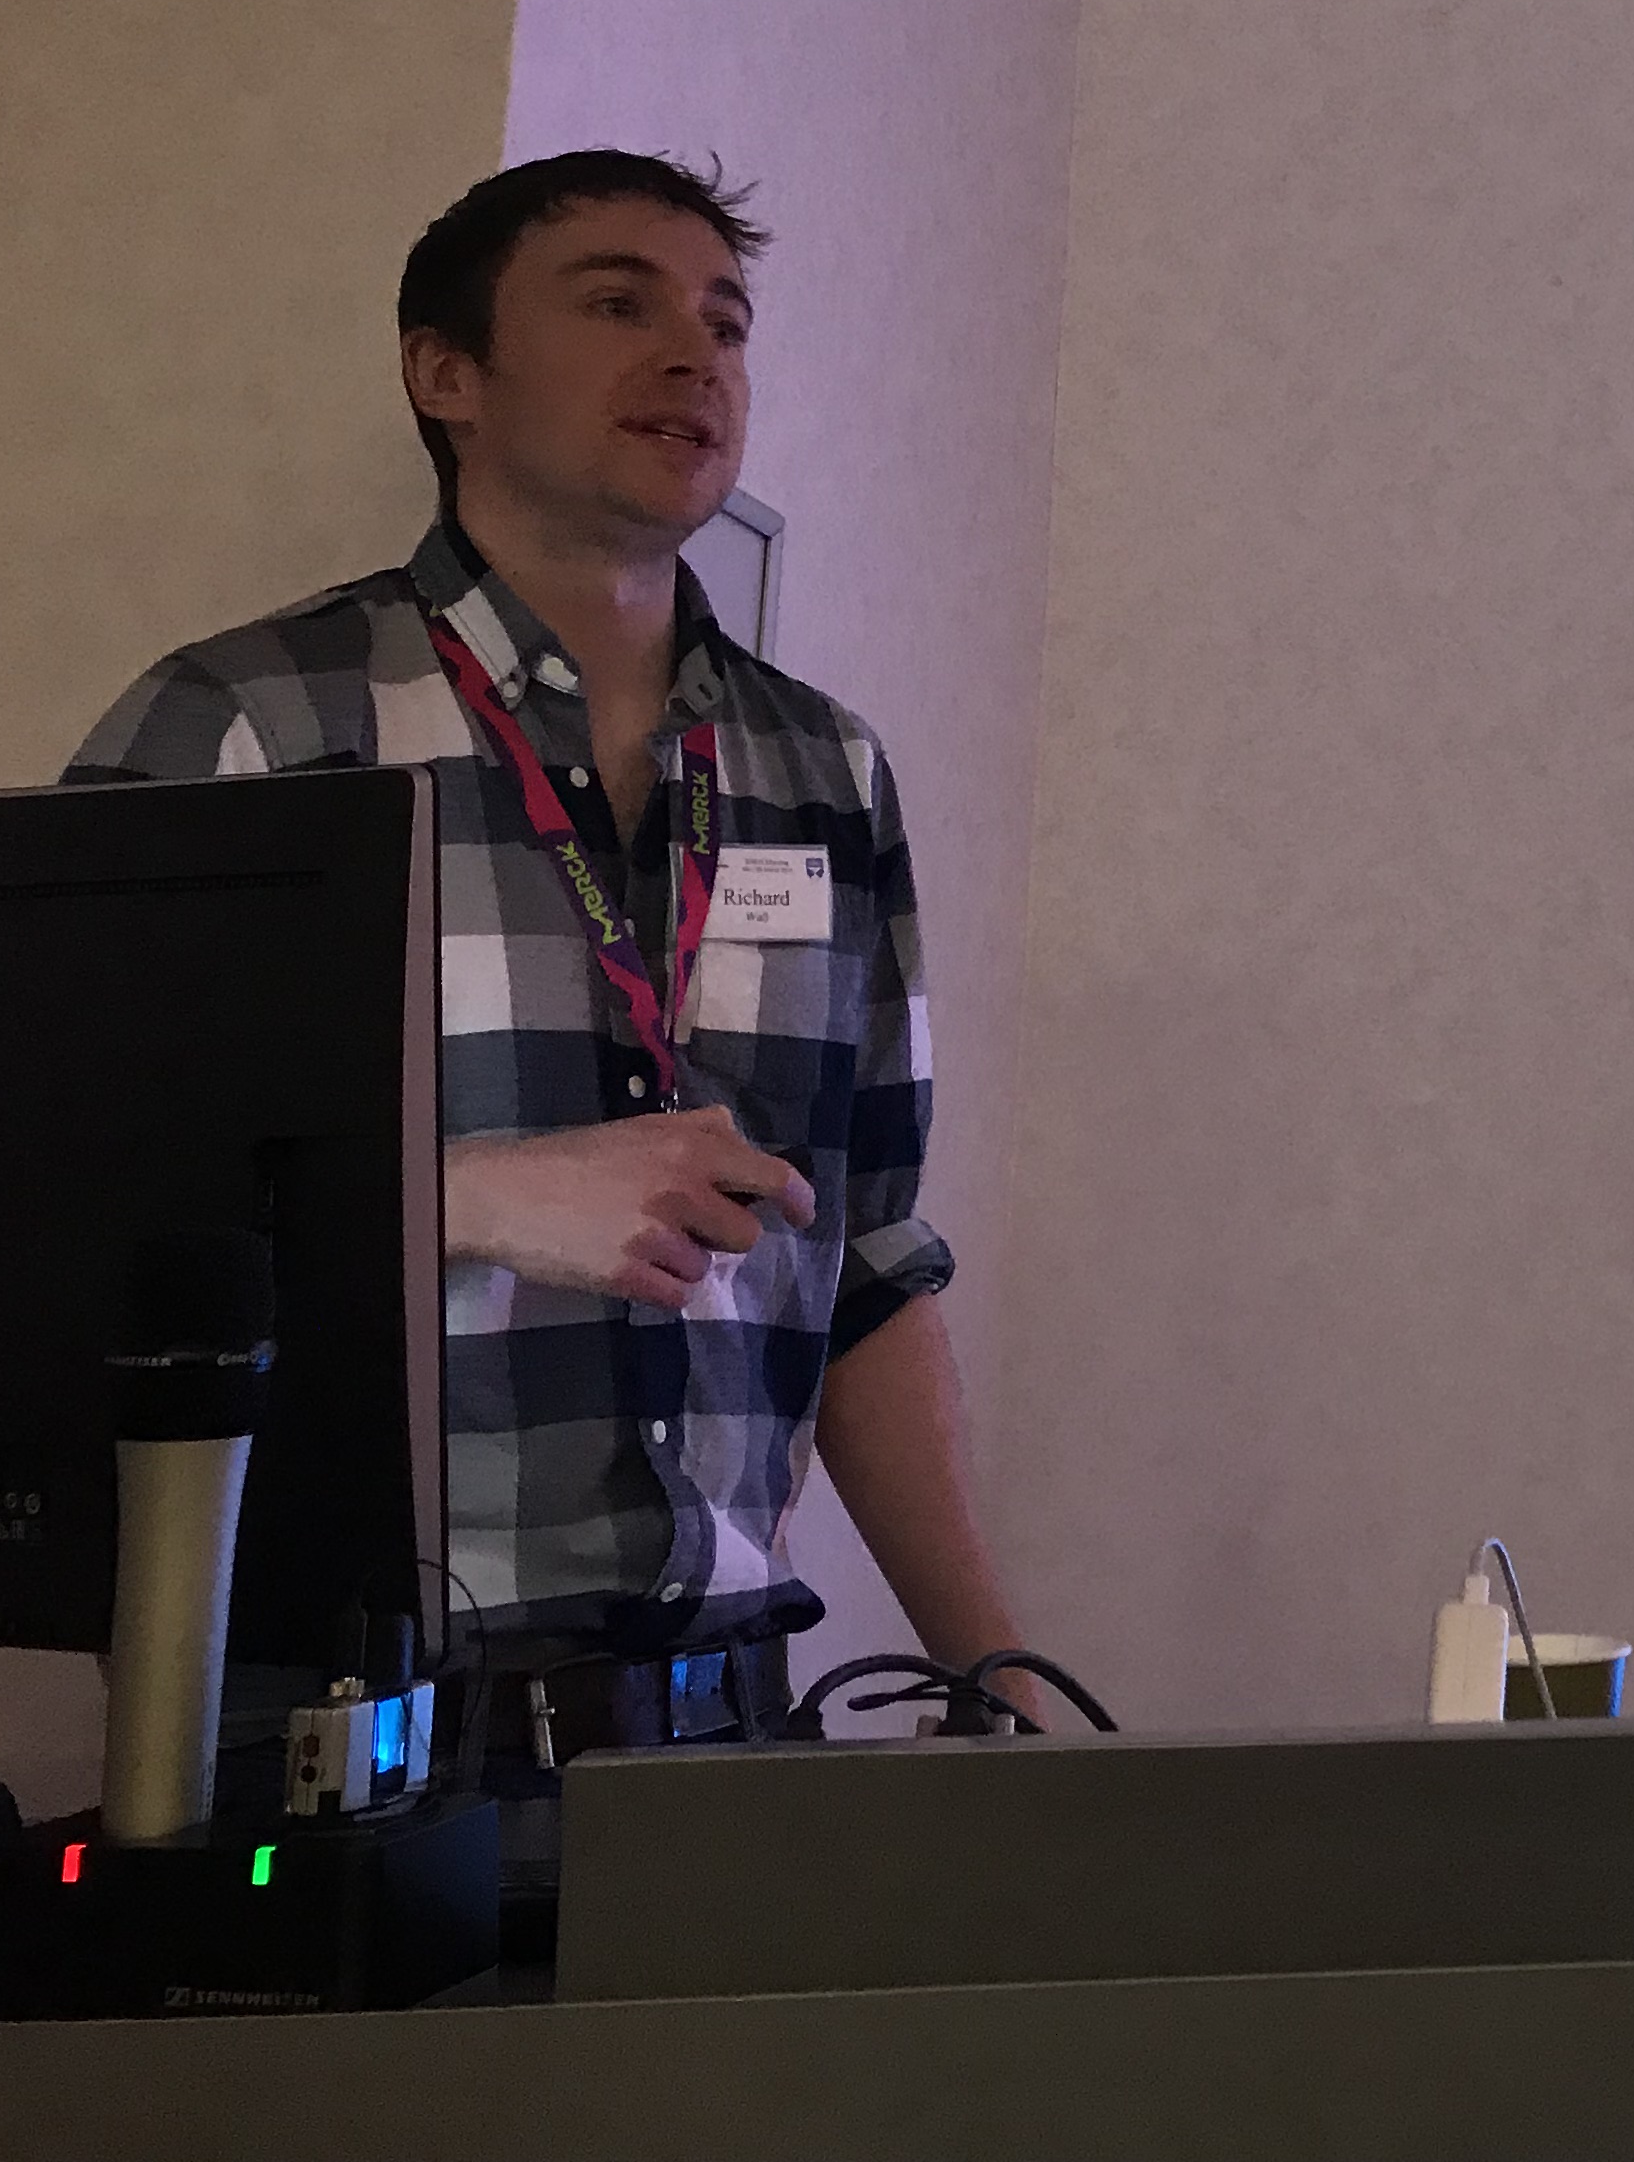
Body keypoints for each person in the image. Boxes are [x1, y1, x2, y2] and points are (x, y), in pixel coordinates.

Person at [69, 149, 1036, 1774]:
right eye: (618, 304)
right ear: (445, 373)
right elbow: (53, 1205)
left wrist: (999, 1682)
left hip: (720, 1748)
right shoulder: (249, 728)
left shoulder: (826, 770)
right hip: (328, 1744)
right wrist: (465, 1196)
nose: (696, 358)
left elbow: (862, 1261)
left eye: (725, 323)